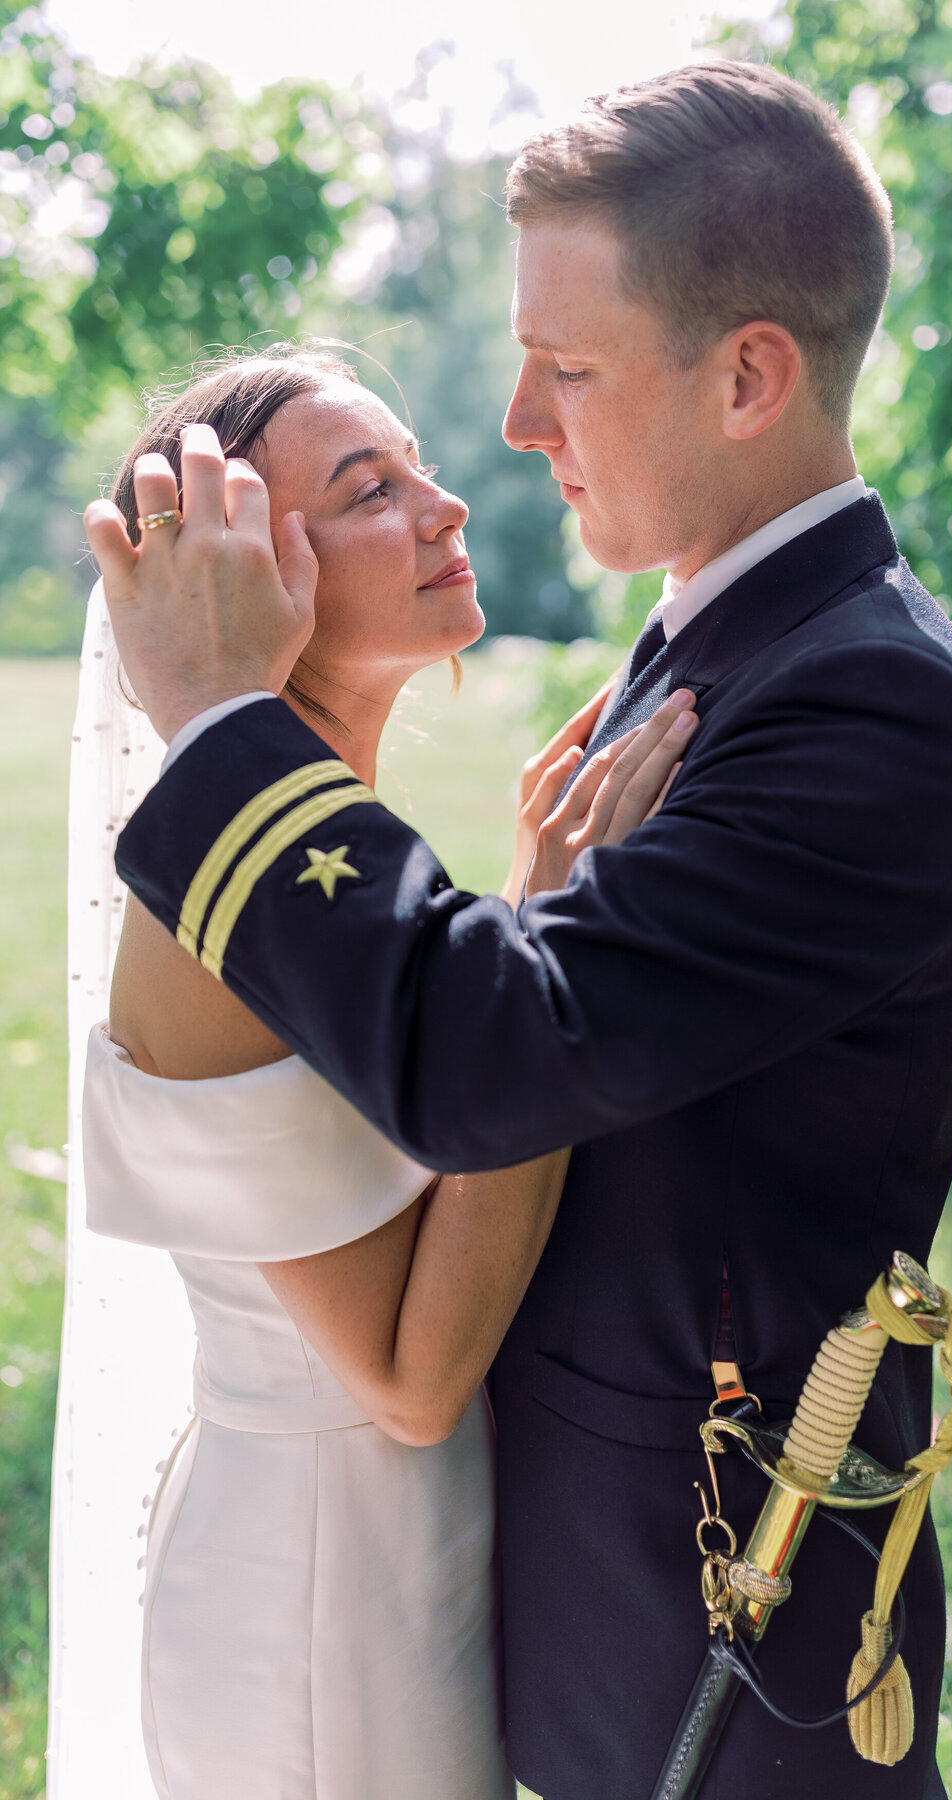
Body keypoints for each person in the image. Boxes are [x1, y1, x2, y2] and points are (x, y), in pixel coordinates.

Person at [85, 61, 952, 1800]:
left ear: (750, 374)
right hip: (534, 1578)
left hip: (717, 1601)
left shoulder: (870, 706)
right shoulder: (707, 651)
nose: (514, 427)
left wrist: (226, 728)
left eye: (566, 366)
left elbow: (497, 1050)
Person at [66, 346, 692, 1800]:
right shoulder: (214, 918)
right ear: (244, 576)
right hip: (313, 1588)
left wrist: (535, 916)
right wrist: (558, 965)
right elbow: (407, 1376)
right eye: (370, 492)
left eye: (416, 467)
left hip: (402, 1535)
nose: (447, 505)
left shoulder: (331, 846)